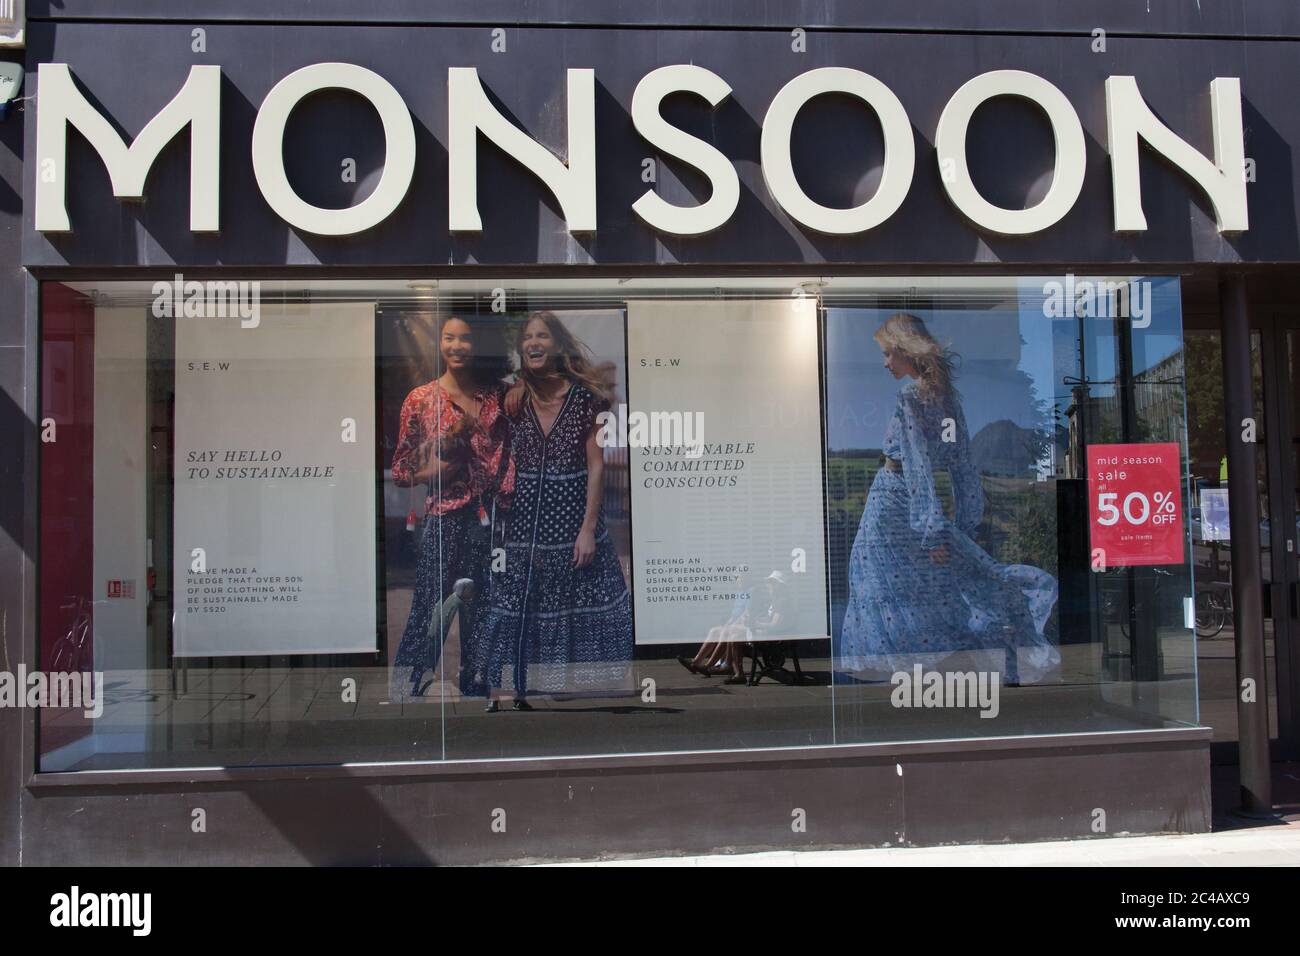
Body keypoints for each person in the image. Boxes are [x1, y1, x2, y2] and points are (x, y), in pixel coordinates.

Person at [838, 313, 1058, 685]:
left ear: (907, 351)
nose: (885, 362)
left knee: (879, 580)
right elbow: (962, 465)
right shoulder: (946, 397)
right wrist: (962, 521)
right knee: (919, 585)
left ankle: (902, 667)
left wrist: (936, 532)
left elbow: (919, 463)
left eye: (889, 353)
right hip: (911, 506)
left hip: (893, 502)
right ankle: (922, 666)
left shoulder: (911, 396)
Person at [465, 311, 634, 710]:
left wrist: (588, 528)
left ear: (556, 345)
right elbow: (481, 444)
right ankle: (506, 689)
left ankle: (560, 682)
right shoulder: (511, 398)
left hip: (570, 519)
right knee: (514, 602)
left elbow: (596, 465)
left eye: (541, 336)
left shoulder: (584, 399)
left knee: (576, 601)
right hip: (520, 522)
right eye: (527, 338)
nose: (533, 343)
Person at [389, 315, 514, 702]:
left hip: (490, 518)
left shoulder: (497, 397)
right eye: (449, 338)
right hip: (443, 516)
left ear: (477, 345)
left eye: (465, 339)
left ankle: (476, 681)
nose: (457, 346)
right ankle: (409, 683)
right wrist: (438, 470)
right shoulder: (420, 399)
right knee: (430, 600)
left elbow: (510, 455)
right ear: (439, 344)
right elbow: (400, 470)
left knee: (483, 604)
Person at [680, 572, 752, 680]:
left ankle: (708, 665)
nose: (739, 580)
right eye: (737, 578)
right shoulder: (739, 593)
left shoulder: (751, 591)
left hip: (744, 626)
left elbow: (747, 613)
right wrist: (729, 622)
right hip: (735, 624)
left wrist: (732, 624)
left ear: (748, 578)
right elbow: (734, 614)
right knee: (714, 631)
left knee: (725, 631)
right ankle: (696, 662)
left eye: (742, 578)